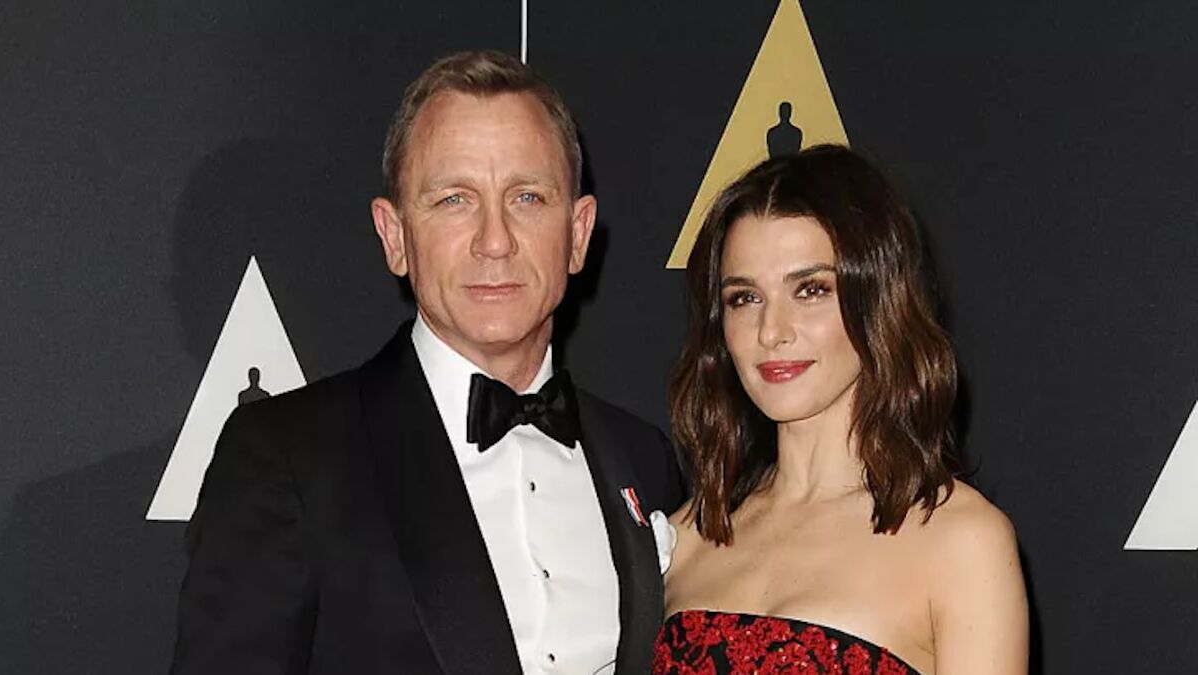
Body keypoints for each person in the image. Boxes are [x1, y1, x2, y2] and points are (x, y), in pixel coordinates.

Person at [171, 50, 684, 675]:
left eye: (527, 197)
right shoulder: (288, 458)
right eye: (453, 200)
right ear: (395, 236)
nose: (495, 241)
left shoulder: (643, 458)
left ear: (577, 234)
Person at [656, 146, 1028, 674]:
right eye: (744, 298)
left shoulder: (962, 544)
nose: (772, 331)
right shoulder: (686, 539)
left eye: (811, 290)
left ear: (876, 301)